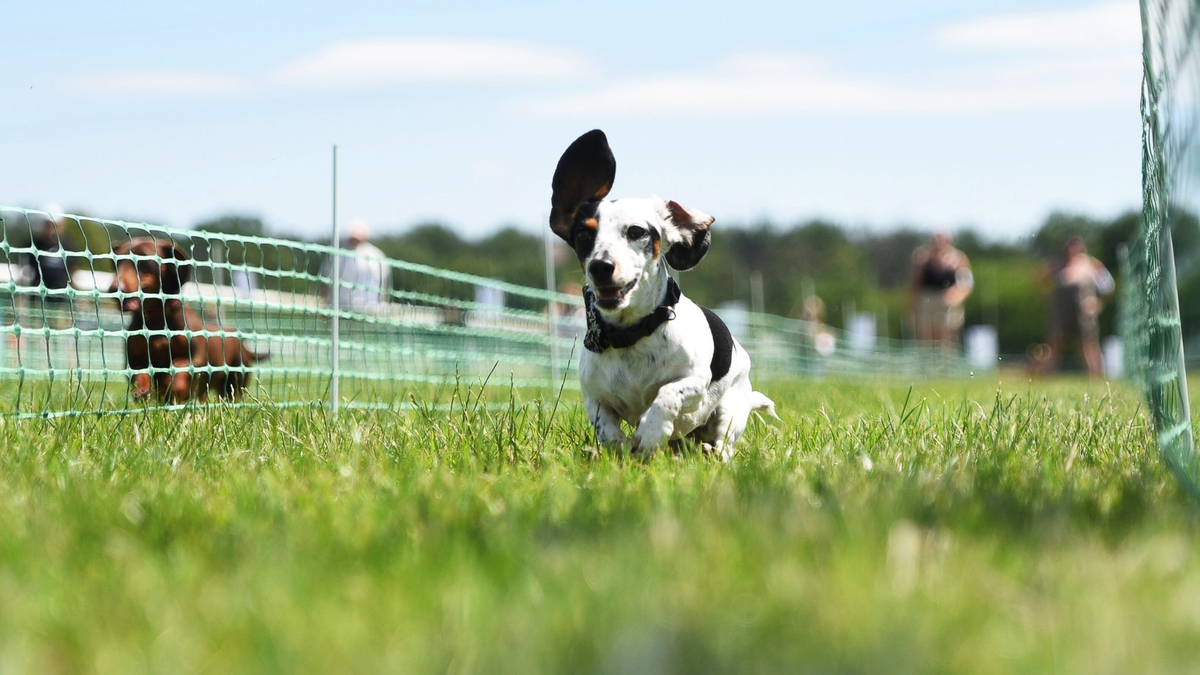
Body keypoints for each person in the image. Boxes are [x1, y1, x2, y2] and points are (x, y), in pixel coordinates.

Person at [1039, 236, 1114, 377]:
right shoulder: (1057, 264)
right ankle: (1046, 376)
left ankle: (1097, 377)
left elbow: (1109, 286)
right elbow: (1039, 281)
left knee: (1088, 344)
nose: (1072, 250)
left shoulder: (1091, 264)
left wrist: (1098, 303)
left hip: (1083, 311)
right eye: (1069, 246)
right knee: (1055, 342)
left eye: (1075, 246)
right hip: (1061, 311)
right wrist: (1048, 299)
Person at [909, 233, 973, 350]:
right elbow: (915, 284)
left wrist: (956, 296)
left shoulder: (958, 258)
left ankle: (946, 363)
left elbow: (966, 283)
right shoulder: (923, 258)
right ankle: (928, 363)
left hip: (948, 301)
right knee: (927, 333)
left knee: (947, 334)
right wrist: (912, 304)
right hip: (927, 300)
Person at [324, 218, 391, 314]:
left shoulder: (376, 255)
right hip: (342, 309)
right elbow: (327, 281)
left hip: (370, 309)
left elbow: (383, 284)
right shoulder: (337, 256)